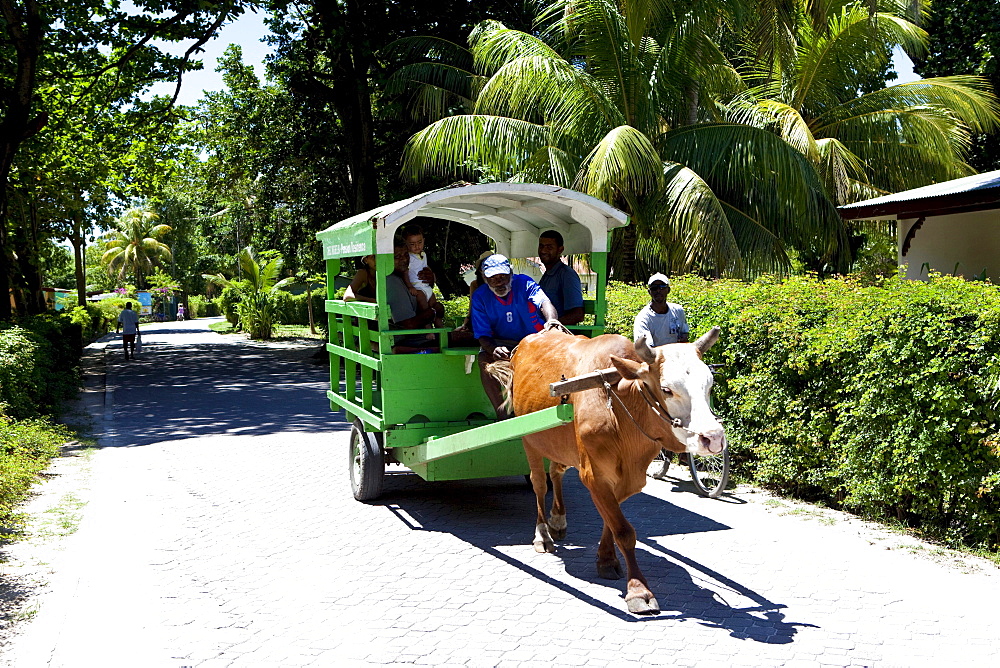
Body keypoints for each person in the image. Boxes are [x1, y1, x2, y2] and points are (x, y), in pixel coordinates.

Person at [471, 254, 560, 418]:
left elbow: (544, 302)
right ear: (485, 279)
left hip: (534, 341)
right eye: (493, 278)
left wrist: (552, 322)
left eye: (503, 277)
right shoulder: (479, 297)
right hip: (502, 344)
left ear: (511, 274)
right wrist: (494, 349)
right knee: (484, 359)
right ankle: (502, 416)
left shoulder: (524, 283)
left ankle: (533, 411)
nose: (500, 282)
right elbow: (482, 335)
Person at [386, 238, 442, 350]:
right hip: (408, 340)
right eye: (397, 257)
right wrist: (435, 311)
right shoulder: (391, 281)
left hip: (416, 337)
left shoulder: (403, 277)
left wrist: (430, 280)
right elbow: (408, 325)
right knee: (466, 339)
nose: (404, 260)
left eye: (406, 255)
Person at [537, 230, 584, 325]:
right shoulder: (547, 275)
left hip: (558, 335)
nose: (543, 251)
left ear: (560, 250)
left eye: (549, 247)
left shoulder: (567, 275)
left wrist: (550, 326)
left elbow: (578, 314)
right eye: (541, 246)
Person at [401, 224, 443, 327]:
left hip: (427, 287)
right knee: (424, 308)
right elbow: (405, 272)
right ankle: (427, 328)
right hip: (417, 287)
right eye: (412, 244)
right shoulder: (408, 257)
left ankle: (440, 328)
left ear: (424, 240)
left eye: (419, 242)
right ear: (406, 244)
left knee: (434, 305)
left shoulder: (424, 255)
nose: (417, 246)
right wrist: (410, 287)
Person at [633, 273, 690, 346]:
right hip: (655, 356)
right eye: (654, 288)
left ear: (668, 290)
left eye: (662, 287)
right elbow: (647, 349)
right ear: (649, 292)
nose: (658, 291)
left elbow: (684, 333)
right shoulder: (643, 318)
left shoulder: (678, 311)